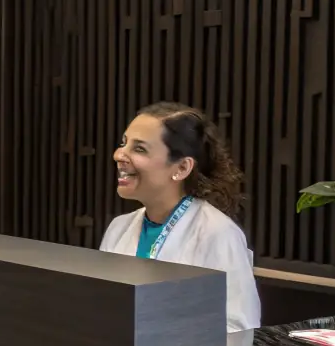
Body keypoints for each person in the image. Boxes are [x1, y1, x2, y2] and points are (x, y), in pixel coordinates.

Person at [99, 102, 261, 333]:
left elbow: (239, 328)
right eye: (123, 143)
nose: (119, 155)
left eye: (140, 149)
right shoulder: (119, 228)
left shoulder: (217, 233)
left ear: (182, 168)